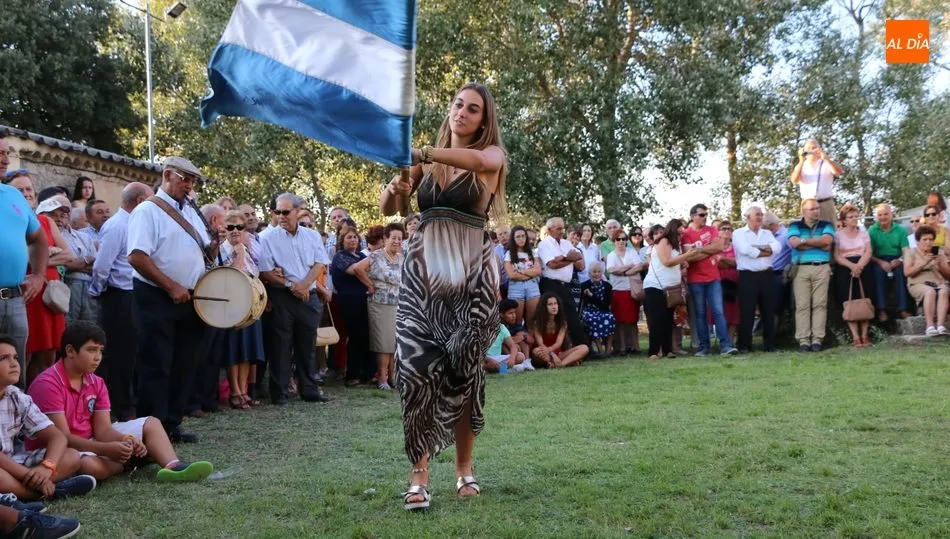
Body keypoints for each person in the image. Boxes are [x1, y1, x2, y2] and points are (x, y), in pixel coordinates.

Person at [379, 83, 507, 510]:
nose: (462, 113)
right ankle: (418, 474)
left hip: (471, 280)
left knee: (465, 373)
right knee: (415, 376)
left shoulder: (490, 156)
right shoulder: (425, 163)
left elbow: (478, 161)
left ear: (484, 120)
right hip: (423, 280)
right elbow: (387, 208)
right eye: (458, 104)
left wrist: (423, 153)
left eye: (473, 109)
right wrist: (398, 182)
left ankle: (464, 468)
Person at [27, 322, 214, 483]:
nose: (97, 357)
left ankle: (173, 466)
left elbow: (103, 431)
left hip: (91, 441)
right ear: (70, 351)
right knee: (91, 466)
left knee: (152, 423)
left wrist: (126, 440)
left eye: (100, 351)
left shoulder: (96, 381)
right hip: (59, 450)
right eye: (91, 350)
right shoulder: (48, 384)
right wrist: (107, 449)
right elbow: (63, 437)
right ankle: (130, 461)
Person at [127, 156, 213, 443]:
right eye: (185, 179)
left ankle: (172, 424)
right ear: (167, 175)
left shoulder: (191, 213)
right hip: (156, 296)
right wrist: (171, 285)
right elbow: (137, 256)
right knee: (157, 364)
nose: (190, 186)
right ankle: (150, 430)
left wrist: (215, 245)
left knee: (185, 363)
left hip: (190, 296)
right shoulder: (147, 211)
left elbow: (204, 254)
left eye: (193, 181)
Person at [0, 335, 96, 501]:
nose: (14, 363)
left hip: (13, 464)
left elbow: (57, 437)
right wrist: (30, 476)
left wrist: (47, 467)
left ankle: (19, 493)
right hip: (5, 470)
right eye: (3, 358)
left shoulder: (17, 397)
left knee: (71, 456)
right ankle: (48, 493)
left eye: (15, 357)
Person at [259, 193, 331, 405]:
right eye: (277, 212)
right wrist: (292, 286)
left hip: (308, 296)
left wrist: (304, 285)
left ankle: (309, 389)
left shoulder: (312, 236)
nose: (281, 216)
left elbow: (319, 263)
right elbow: (266, 271)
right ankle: (279, 392)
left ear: (297, 211)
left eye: (285, 212)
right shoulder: (266, 237)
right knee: (280, 346)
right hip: (282, 296)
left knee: (307, 344)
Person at [88, 182, 152, 421]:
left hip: (136, 294)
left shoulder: (137, 224)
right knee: (120, 354)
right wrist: (98, 291)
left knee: (135, 352)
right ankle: (120, 407)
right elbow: (102, 265)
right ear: (139, 201)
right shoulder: (117, 226)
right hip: (119, 295)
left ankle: (131, 401)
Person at [13, 175, 72, 387]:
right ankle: (23, 398)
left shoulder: (46, 222)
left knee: (50, 354)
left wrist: (39, 259)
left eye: (29, 189)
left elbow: (68, 255)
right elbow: (19, 257)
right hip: (28, 295)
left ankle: (44, 398)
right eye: (20, 190)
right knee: (25, 353)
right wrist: (49, 253)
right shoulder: (10, 220)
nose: (26, 193)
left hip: (50, 296)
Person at [0, 167, 48, 383]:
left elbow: (38, 239)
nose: (5, 159)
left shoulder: (14, 195)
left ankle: (15, 405)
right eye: (0, 153)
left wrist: (39, 276)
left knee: (15, 373)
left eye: (6, 152)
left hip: (14, 300)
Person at [220, 210, 264, 408]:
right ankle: (235, 392)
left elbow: (255, 274)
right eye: (230, 227)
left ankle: (244, 390)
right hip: (231, 306)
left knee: (247, 350)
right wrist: (239, 254)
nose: (235, 231)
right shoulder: (222, 250)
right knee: (234, 350)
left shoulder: (247, 249)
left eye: (239, 227)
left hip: (251, 306)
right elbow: (232, 275)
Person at [681, 204, 738, 356]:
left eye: (706, 214)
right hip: (695, 279)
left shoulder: (712, 229)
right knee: (700, 314)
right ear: (693, 216)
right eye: (702, 215)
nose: (705, 217)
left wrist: (698, 250)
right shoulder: (686, 234)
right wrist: (708, 250)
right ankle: (704, 348)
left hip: (713, 278)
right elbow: (689, 257)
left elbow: (719, 247)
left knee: (718, 311)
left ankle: (725, 346)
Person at [787, 198, 835, 352]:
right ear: (803, 211)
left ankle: (817, 340)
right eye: (812, 209)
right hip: (801, 268)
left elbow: (827, 241)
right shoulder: (794, 225)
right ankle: (803, 340)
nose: (816, 211)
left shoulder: (826, 225)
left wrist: (803, 242)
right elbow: (794, 243)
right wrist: (817, 243)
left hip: (822, 267)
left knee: (820, 304)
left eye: (817, 208)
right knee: (802, 305)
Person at [330, 225, 375, 387]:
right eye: (349, 237)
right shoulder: (340, 256)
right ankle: (352, 376)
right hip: (349, 301)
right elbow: (355, 271)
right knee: (356, 336)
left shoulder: (360, 256)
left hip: (364, 300)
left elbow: (370, 270)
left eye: (355, 237)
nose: (353, 239)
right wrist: (370, 282)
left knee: (366, 336)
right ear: (342, 240)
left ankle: (367, 374)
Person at [643, 220, 695, 359]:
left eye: (682, 233)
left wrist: (683, 261)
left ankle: (667, 350)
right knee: (657, 319)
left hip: (670, 287)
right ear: (672, 230)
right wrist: (686, 255)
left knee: (667, 319)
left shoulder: (675, 245)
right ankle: (653, 352)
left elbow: (674, 262)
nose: (681, 236)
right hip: (656, 286)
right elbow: (666, 261)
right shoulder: (664, 241)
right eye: (679, 233)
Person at [732, 207, 781, 353]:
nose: (760, 217)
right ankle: (745, 345)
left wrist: (757, 249)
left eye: (761, 215)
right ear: (748, 217)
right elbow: (745, 250)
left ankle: (770, 345)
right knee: (747, 311)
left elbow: (777, 248)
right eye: (757, 215)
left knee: (768, 310)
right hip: (748, 275)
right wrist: (766, 250)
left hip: (766, 275)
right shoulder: (738, 233)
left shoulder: (767, 233)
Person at [537, 217, 587, 349]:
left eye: (563, 228)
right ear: (549, 230)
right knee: (552, 317)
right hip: (550, 285)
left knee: (573, 317)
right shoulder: (544, 244)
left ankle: (583, 349)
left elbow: (580, 262)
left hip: (566, 285)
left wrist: (563, 259)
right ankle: (553, 349)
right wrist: (570, 259)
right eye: (558, 228)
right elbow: (552, 264)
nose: (562, 231)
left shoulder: (566, 243)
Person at [367, 223, 405, 391]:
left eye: (400, 238)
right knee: (383, 343)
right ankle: (381, 378)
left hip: (399, 304)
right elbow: (357, 269)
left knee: (394, 342)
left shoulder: (402, 257)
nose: (397, 241)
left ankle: (392, 376)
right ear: (385, 238)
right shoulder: (376, 256)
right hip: (380, 304)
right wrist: (369, 285)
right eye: (393, 238)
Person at [55, 195, 99, 326]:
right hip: (67, 286)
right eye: (57, 212)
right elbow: (60, 265)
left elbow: (95, 265)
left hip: (88, 287)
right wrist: (85, 260)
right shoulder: (53, 236)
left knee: (89, 326)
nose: (61, 216)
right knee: (68, 326)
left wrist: (74, 263)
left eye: (65, 211)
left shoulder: (84, 237)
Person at [833, 204, 873, 347]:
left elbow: (868, 251)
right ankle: (855, 336)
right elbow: (837, 255)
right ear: (844, 220)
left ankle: (865, 335)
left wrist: (859, 266)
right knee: (848, 301)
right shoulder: (838, 235)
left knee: (865, 299)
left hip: (863, 268)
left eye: (856, 216)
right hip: (845, 269)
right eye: (851, 217)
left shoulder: (864, 233)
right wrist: (852, 266)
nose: (855, 219)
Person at [867, 203, 911, 322]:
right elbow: (869, 253)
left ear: (891, 215)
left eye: (886, 214)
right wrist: (881, 263)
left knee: (901, 272)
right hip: (878, 260)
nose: (883, 217)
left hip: (896, 259)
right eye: (880, 215)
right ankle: (881, 310)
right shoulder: (872, 230)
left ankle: (903, 309)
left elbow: (906, 251)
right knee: (878, 273)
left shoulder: (900, 230)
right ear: (876, 217)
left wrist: (900, 260)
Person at [904, 225, 950, 336]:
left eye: (930, 239)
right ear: (918, 241)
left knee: (944, 290)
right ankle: (929, 326)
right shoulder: (910, 252)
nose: (928, 242)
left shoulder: (939, 252)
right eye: (925, 239)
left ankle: (941, 326)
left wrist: (940, 264)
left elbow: (948, 275)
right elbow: (907, 272)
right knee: (930, 291)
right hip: (918, 283)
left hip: (938, 282)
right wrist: (924, 262)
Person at [790, 138, 845, 225]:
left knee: (828, 229)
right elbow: (794, 180)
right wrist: (801, 161)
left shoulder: (826, 163)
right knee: (808, 230)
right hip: (808, 204)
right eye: (808, 148)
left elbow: (839, 172)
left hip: (825, 203)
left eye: (813, 147)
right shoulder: (801, 166)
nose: (811, 150)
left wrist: (827, 159)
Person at [605, 229, 643, 355]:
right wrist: (629, 267)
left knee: (633, 320)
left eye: (623, 239)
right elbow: (611, 270)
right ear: (614, 241)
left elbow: (639, 266)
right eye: (618, 239)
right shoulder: (611, 255)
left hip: (631, 289)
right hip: (617, 290)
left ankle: (635, 346)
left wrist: (624, 273)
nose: (621, 241)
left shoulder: (631, 252)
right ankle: (622, 347)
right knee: (620, 321)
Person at [529, 293, 589, 368]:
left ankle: (561, 364)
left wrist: (553, 353)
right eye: (550, 304)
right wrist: (551, 354)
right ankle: (553, 362)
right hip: (543, 353)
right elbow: (541, 344)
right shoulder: (537, 322)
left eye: (555, 303)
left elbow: (559, 343)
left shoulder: (562, 322)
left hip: (558, 353)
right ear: (544, 307)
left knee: (584, 348)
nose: (554, 307)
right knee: (536, 351)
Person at [504, 225, 542, 329]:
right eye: (518, 237)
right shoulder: (509, 254)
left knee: (532, 322)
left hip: (533, 287)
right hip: (516, 288)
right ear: (513, 238)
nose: (521, 239)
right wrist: (530, 274)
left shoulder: (533, 253)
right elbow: (512, 275)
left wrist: (521, 271)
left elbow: (538, 271)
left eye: (523, 236)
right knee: (516, 323)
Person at [580, 262, 616, 357]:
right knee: (592, 318)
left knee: (610, 317)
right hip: (589, 311)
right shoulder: (584, 285)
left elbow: (605, 304)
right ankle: (600, 351)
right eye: (594, 272)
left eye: (599, 272)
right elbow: (584, 303)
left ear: (602, 273)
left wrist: (591, 296)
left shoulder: (607, 286)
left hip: (603, 310)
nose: (596, 274)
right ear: (589, 273)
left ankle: (608, 350)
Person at [764, 212, 792, 331]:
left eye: (763, 228)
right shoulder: (770, 236)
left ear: (770, 226)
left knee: (775, 307)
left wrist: (790, 267)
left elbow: (796, 252)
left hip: (779, 275)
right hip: (767, 274)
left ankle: (772, 335)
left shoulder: (786, 235)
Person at [713, 221, 740, 346]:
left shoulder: (736, 247)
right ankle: (723, 340)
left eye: (730, 229)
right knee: (720, 312)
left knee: (734, 312)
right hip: (717, 282)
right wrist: (731, 262)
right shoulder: (714, 246)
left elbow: (740, 262)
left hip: (734, 283)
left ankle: (730, 340)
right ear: (718, 231)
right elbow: (715, 263)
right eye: (724, 228)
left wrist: (723, 259)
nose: (727, 231)